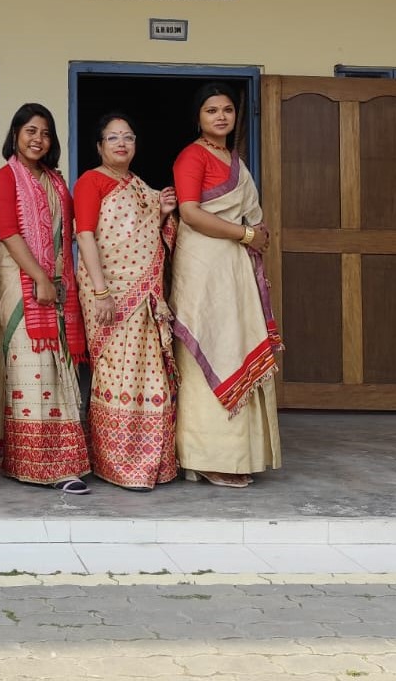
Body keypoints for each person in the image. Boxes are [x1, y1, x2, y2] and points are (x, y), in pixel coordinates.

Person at [170, 83, 282, 488]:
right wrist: (247, 235)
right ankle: (203, 457)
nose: (221, 117)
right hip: (203, 265)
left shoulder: (234, 161)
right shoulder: (192, 156)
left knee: (233, 343)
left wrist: (251, 235)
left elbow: (249, 214)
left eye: (228, 110)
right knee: (209, 345)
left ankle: (237, 455)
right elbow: (190, 213)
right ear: (198, 117)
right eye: (211, 110)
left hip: (232, 266)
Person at [0, 103, 91, 495]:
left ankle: (63, 461)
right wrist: (39, 278)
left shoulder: (56, 182)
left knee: (58, 370)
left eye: (45, 133)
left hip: (58, 286)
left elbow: (68, 233)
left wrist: (57, 281)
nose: (38, 139)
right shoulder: (5, 179)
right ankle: (35, 464)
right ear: (15, 134)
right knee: (32, 370)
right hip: (22, 284)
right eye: (31, 131)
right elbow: (9, 233)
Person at [74, 113, 179, 491]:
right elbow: (85, 236)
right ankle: (115, 463)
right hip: (109, 293)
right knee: (115, 374)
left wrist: (162, 213)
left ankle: (152, 462)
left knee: (148, 375)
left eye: (128, 137)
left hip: (145, 297)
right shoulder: (91, 181)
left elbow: (151, 234)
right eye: (113, 138)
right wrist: (101, 292)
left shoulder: (141, 188)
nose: (122, 143)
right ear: (99, 146)